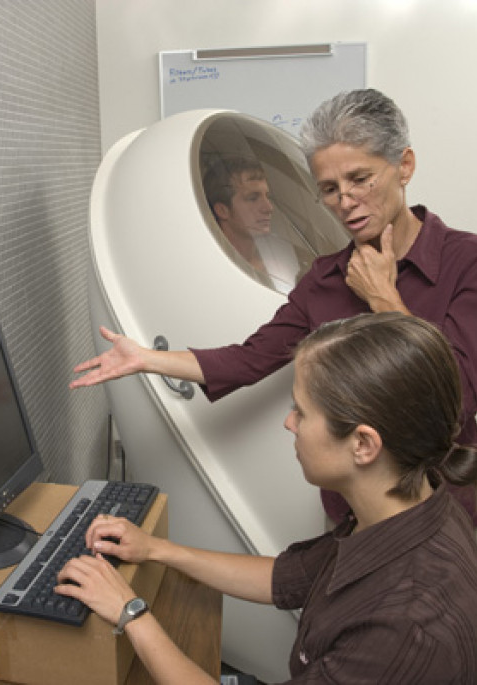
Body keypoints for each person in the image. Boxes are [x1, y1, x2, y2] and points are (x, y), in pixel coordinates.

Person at [70, 89, 477, 525]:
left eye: (361, 179)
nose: (346, 201)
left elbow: (456, 402)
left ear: (404, 167)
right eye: (329, 189)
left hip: (444, 514)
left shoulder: (466, 262)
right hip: (351, 518)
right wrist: (147, 358)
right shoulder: (324, 279)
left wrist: (383, 299)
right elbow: (250, 359)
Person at [58, 313, 477, 684]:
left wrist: (131, 612)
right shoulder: (409, 507)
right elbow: (286, 577)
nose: (288, 422)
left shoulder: (408, 629)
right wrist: (156, 549)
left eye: (302, 411)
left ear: (364, 445)